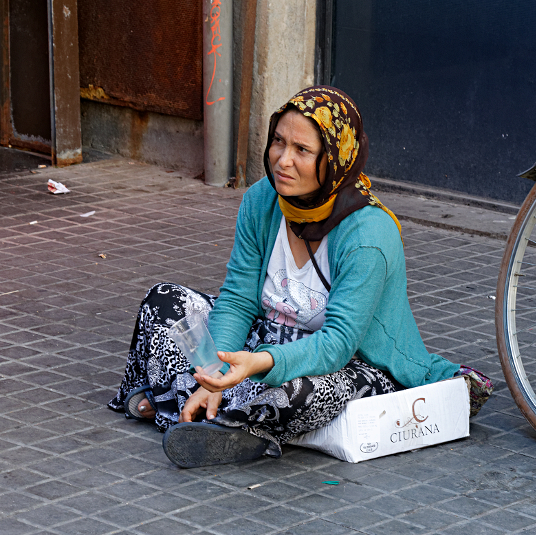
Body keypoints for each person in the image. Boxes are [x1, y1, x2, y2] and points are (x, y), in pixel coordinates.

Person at [108, 86, 493, 468]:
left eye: (302, 150)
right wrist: (216, 372)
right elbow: (239, 298)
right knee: (165, 301)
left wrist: (253, 365)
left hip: (344, 362)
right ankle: (224, 416)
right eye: (278, 141)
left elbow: (336, 345)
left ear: (335, 159)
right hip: (262, 342)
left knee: (304, 392)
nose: (282, 161)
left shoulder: (369, 235)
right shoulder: (262, 199)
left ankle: (191, 409)